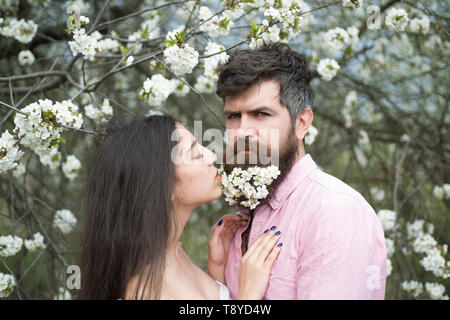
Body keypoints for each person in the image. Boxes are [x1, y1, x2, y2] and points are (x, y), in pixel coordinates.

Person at [211, 43, 388, 299]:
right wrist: (218, 274)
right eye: (233, 116)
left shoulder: (333, 211)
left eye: (261, 114)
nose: (242, 130)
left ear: (301, 123)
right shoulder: (240, 220)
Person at [79, 113, 281, 300]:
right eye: (195, 154)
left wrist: (218, 273)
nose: (211, 156)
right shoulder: (143, 292)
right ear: (161, 186)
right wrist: (248, 297)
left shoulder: (172, 250)